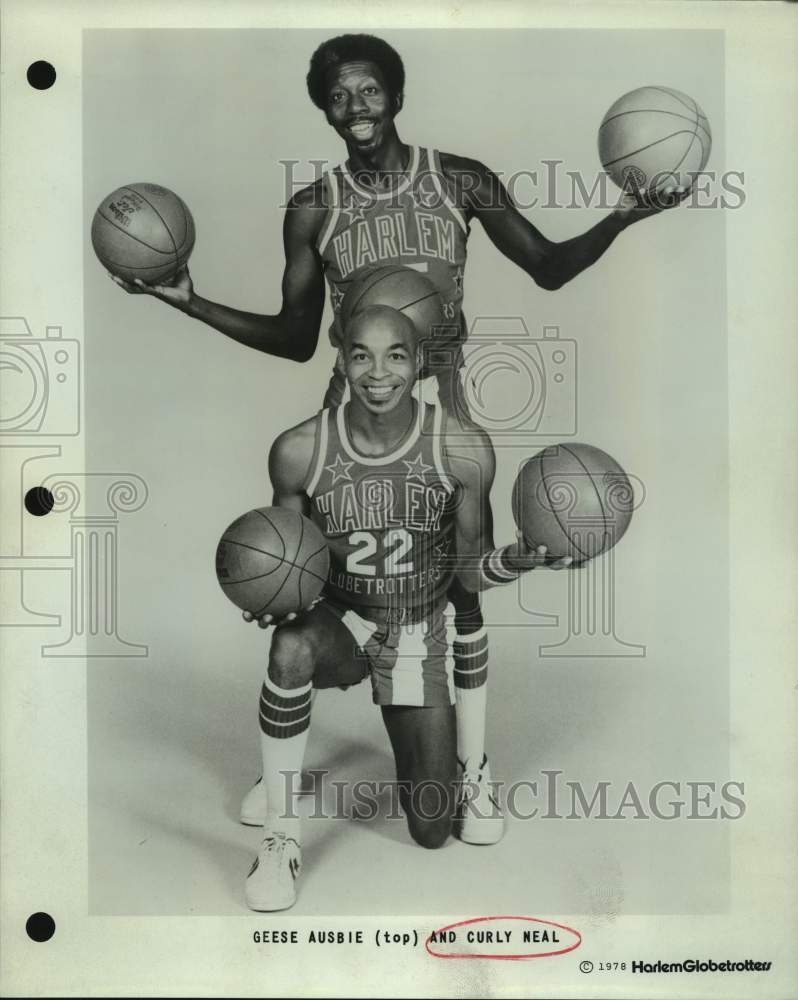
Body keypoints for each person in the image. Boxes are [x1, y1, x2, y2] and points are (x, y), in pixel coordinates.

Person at [109, 33, 686, 842]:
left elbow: (549, 267)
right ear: (323, 108)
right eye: (339, 96)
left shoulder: (459, 180)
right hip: (352, 423)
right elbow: (296, 336)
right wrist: (187, 299)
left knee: (458, 584)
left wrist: (621, 217)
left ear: (397, 93)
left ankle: (472, 774)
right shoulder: (314, 207)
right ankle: (303, 714)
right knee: (319, 581)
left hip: (442, 415)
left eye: (369, 91)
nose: (356, 109)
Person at [244, 303, 573, 911]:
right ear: (341, 359)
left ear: (419, 363)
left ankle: (465, 769)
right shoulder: (299, 450)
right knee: (288, 646)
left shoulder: (462, 447)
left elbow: (468, 574)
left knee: (430, 828)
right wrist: (275, 600)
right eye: (361, 355)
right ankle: (279, 833)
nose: (378, 372)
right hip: (341, 617)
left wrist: (525, 559)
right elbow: (291, 565)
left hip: (418, 627)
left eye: (395, 355)